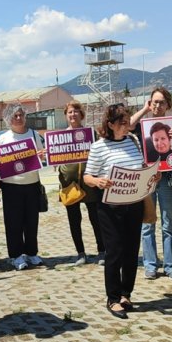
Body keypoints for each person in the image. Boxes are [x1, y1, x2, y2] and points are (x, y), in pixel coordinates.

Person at [84, 103, 156, 319]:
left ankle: (126, 293)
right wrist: (98, 181)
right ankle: (113, 298)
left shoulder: (133, 141)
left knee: (132, 251)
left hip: (134, 204)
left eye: (127, 123)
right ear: (110, 124)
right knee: (114, 252)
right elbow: (87, 177)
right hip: (109, 208)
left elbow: (141, 168)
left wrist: (151, 175)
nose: (127, 127)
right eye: (122, 124)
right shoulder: (99, 147)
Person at [129, 87, 172, 281]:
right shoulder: (142, 124)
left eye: (161, 102)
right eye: (154, 101)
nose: (157, 105)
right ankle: (151, 265)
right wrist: (144, 110)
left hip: (169, 180)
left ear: (168, 105)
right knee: (147, 224)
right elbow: (128, 125)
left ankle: (171, 266)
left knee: (168, 224)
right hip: (147, 179)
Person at [0, 103, 46, 271]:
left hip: (31, 184)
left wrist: (42, 155)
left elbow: (42, 156)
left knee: (32, 221)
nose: (18, 118)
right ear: (9, 118)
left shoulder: (34, 135)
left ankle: (31, 252)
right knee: (13, 222)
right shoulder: (3, 138)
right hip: (11, 187)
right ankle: (15, 256)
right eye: (15, 116)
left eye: (21, 115)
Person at [57, 101, 105, 266]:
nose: (73, 115)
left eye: (76, 112)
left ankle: (102, 251)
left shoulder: (90, 134)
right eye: (70, 112)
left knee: (96, 218)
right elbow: (54, 160)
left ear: (81, 115)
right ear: (66, 115)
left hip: (90, 182)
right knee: (74, 219)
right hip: (69, 185)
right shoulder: (58, 138)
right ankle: (80, 253)